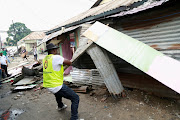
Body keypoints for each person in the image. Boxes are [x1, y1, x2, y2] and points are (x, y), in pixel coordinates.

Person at [43, 43, 79, 120]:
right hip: (56, 85)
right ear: (53, 50)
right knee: (75, 98)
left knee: (58, 93)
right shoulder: (56, 57)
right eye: (55, 49)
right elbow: (69, 62)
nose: (57, 50)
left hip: (48, 85)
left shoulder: (45, 59)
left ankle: (60, 106)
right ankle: (74, 118)